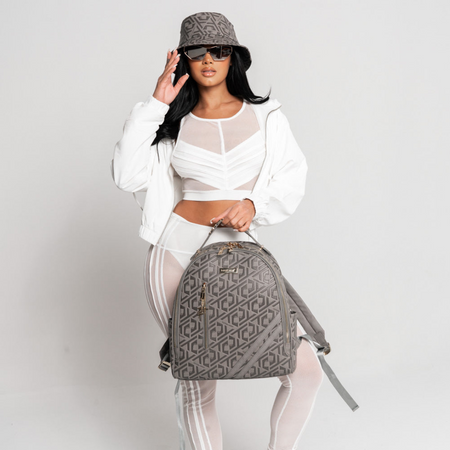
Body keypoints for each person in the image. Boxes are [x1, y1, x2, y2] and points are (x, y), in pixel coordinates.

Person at [112, 11, 324, 450]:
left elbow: (292, 177)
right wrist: (156, 104)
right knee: (196, 377)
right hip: (174, 255)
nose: (208, 59)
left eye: (219, 50)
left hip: (241, 258)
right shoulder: (170, 122)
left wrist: (254, 204)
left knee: (305, 370)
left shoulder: (267, 117)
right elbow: (125, 175)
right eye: (197, 51)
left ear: (234, 58)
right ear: (183, 60)